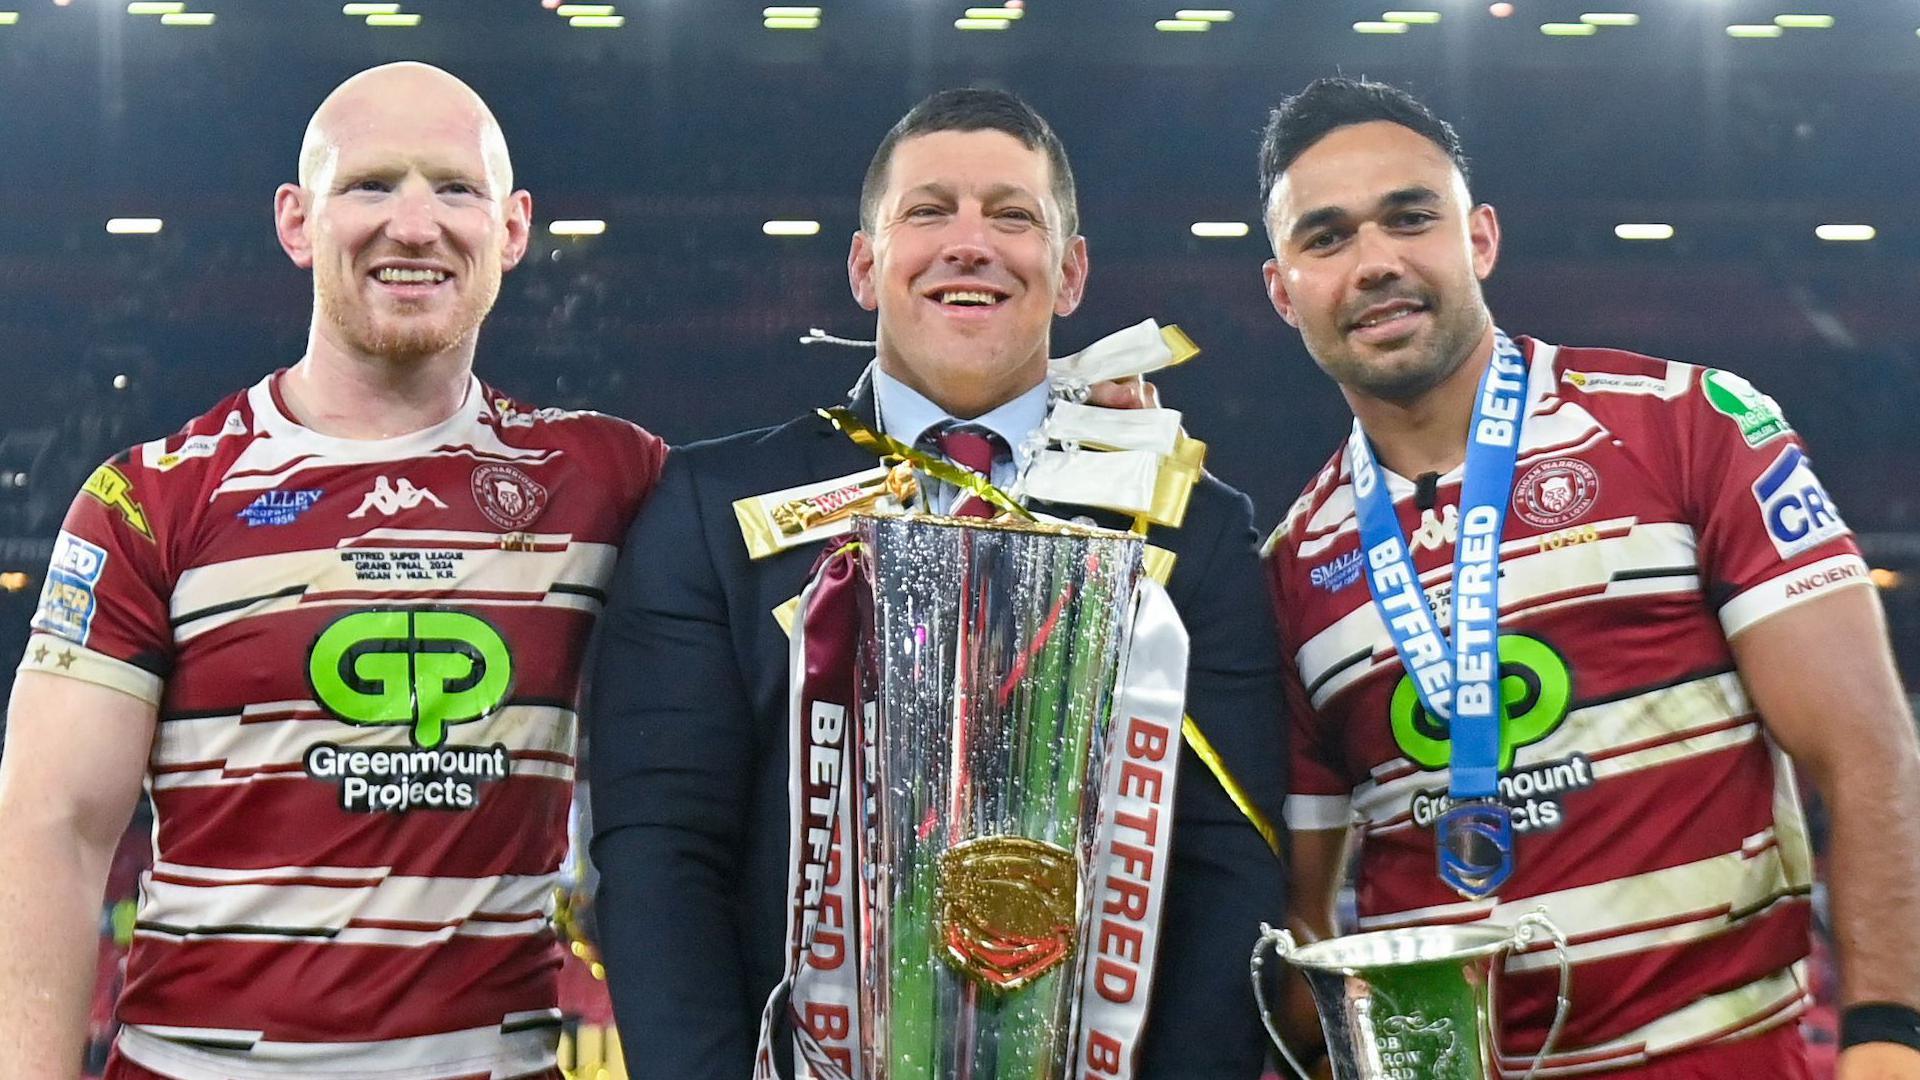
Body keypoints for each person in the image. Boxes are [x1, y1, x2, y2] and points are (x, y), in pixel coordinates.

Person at [587, 87, 1288, 1078]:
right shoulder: (711, 509)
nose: (972, 243)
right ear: (866, 266)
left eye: (1013, 215)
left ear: (1072, 270)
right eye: (929, 212)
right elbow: (663, 854)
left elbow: (1231, 867)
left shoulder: (1191, 527)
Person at [0, 62, 665, 1080]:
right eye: (368, 185)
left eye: (455, 188)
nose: (412, 224)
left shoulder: (608, 479)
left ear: (515, 229)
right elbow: (52, 827)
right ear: (297, 220)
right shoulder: (149, 498)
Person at [1257, 76, 1920, 1078]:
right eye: (1328, 237)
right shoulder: (1295, 564)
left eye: (1409, 218)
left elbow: (1870, 754)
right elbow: (1298, 922)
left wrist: (1887, 1039)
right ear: (1283, 288)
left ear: (1478, 238)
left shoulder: (1690, 425)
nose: (1376, 263)